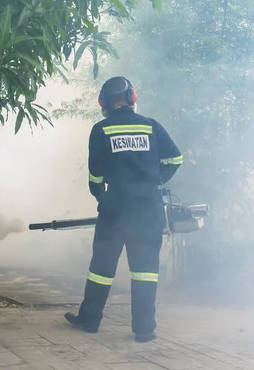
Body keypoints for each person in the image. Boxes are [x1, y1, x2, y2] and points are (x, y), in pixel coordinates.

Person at [64, 76, 182, 342]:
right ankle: (144, 330)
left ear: (103, 102)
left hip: (115, 210)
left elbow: (95, 175)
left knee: (101, 268)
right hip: (148, 209)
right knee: (145, 270)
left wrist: (101, 197)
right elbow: (176, 158)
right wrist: (156, 180)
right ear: (132, 98)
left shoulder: (101, 129)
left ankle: (90, 320)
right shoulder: (151, 127)